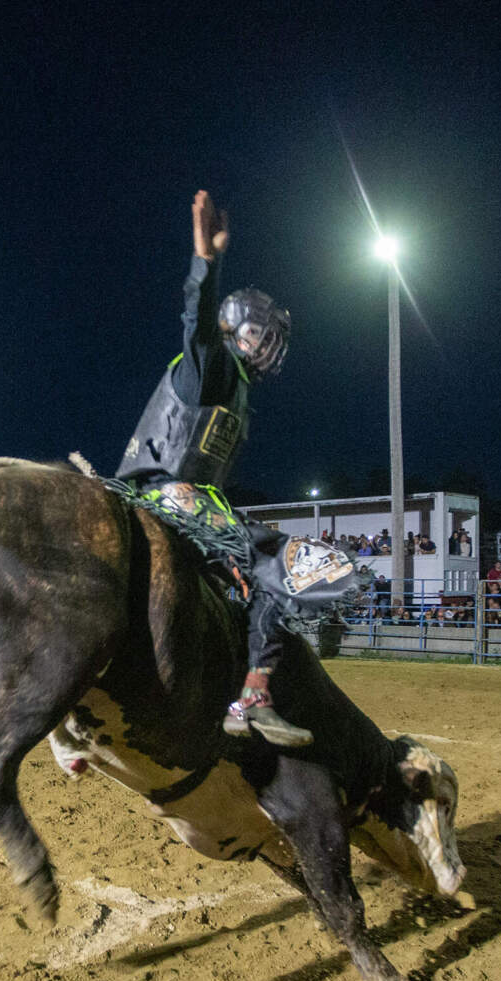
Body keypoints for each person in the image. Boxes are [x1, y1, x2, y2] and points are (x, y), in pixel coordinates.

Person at [115, 189, 339, 748]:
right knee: (288, 564)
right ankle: (254, 697)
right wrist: (205, 261)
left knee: (253, 572)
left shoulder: (232, 387)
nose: (270, 348)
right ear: (238, 329)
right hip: (166, 493)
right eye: (264, 335)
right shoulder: (212, 366)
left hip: (175, 494)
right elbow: (196, 321)